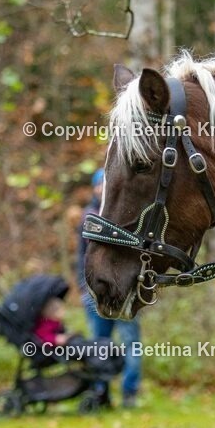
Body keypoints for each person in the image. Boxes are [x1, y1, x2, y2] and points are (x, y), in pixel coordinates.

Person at [77, 168, 143, 407]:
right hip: (95, 294)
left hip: (125, 292)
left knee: (131, 343)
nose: (102, 188)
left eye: (107, 184)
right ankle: (100, 392)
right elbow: (82, 258)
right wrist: (85, 289)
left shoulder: (128, 216)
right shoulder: (89, 218)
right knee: (98, 345)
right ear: (95, 188)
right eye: (99, 184)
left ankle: (130, 392)